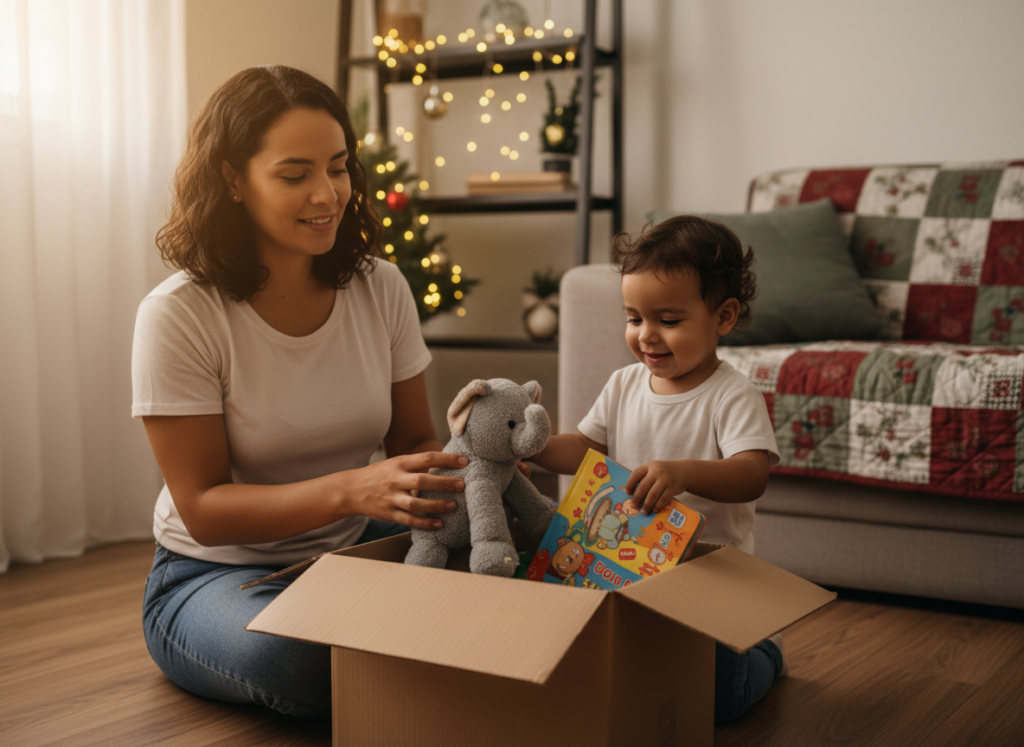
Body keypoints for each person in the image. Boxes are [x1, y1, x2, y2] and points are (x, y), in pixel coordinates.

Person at [131, 65, 468, 717]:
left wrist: (476, 472)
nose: (328, 194)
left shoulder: (382, 287)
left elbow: (413, 441)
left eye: (338, 167)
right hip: (215, 573)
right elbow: (201, 505)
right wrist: (351, 489)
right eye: (295, 175)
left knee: (522, 564)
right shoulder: (177, 314)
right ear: (233, 178)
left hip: (355, 545)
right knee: (303, 659)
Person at [529, 215, 784, 723]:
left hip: (708, 581)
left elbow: (751, 472)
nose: (647, 336)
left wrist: (685, 473)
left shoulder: (732, 394)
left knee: (718, 702)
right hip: (628, 567)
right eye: (633, 318)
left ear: (724, 317)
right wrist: (532, 449)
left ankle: (766, 651)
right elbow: (584, 448)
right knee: (609, 670)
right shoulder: (624, 384)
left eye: (668, 320)